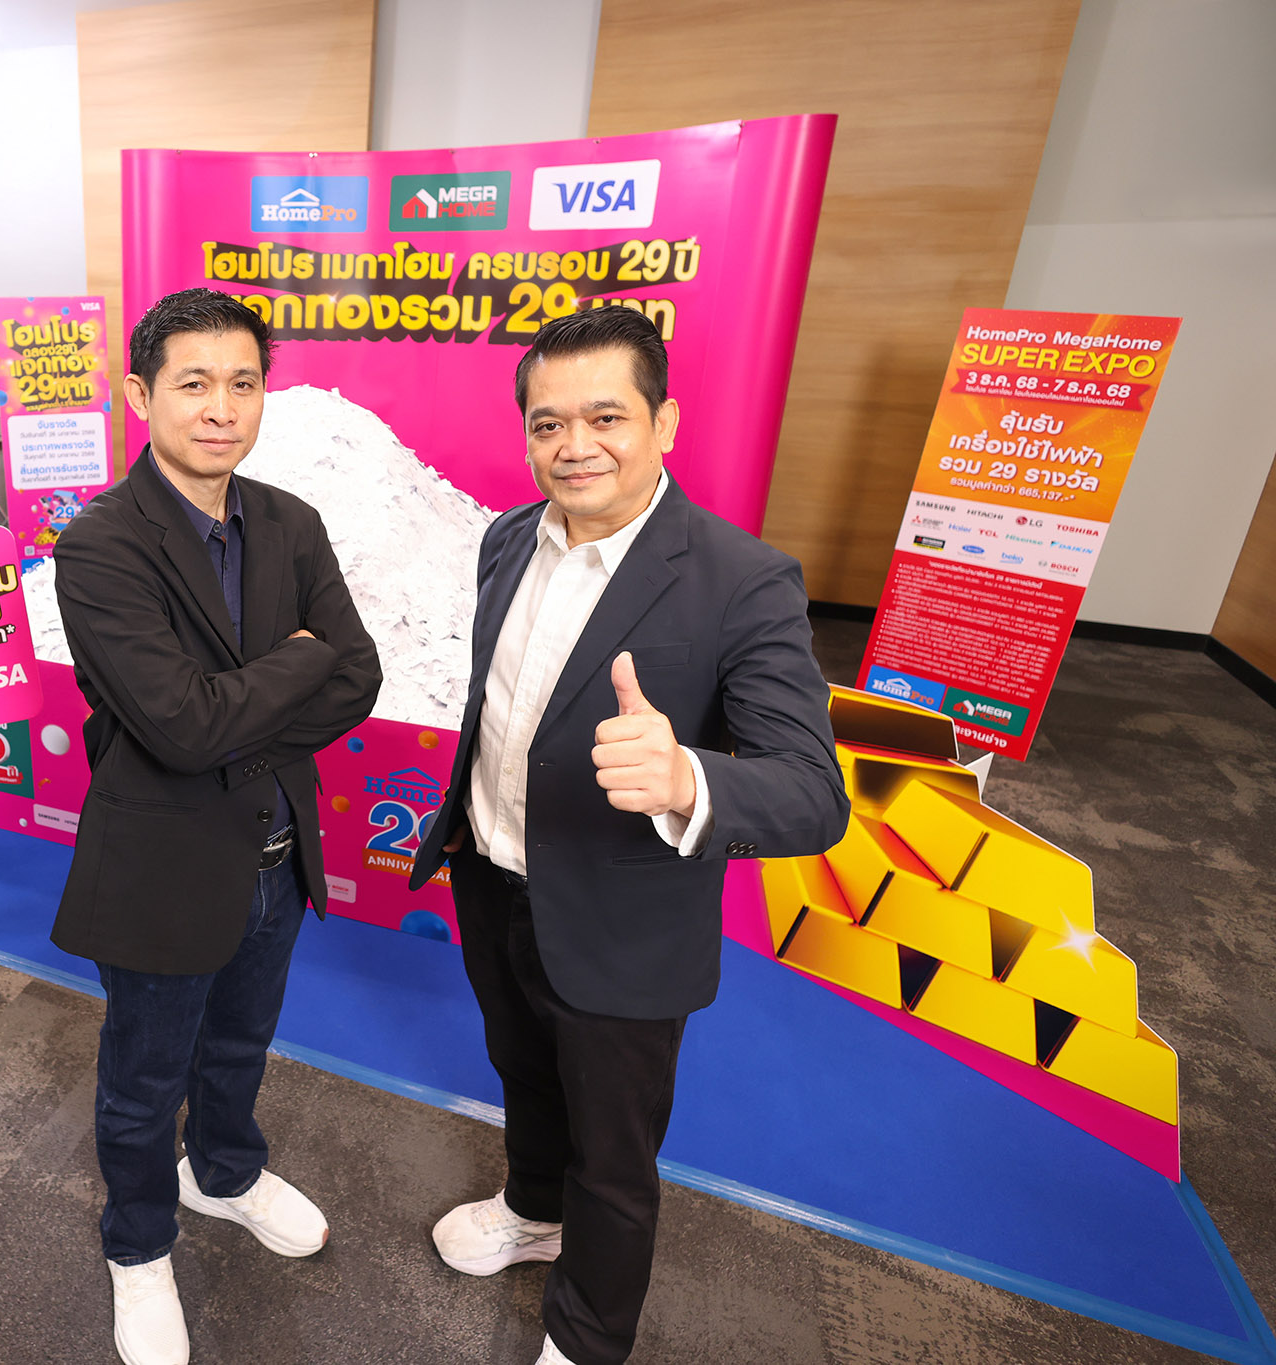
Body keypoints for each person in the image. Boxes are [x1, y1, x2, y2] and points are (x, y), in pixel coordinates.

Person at [407, 307, 850, 1364]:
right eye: (548, 422)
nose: (575, 445)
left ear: (664, 423)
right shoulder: (507, 539)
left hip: (623, 917)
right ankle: (531, 1210)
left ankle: (586, 1338)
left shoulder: (742, 580)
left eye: (605, 417)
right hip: (493, 875)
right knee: (521, 1070)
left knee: (613, 1154)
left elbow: (812, 792)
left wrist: (687, 776)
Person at [50, 288, 381, 1365]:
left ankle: (225, 1175)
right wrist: (292, 665)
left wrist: (234, 714)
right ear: (140, 394)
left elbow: (359, 676)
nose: (220, 407)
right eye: (193, 383)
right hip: (163, 864)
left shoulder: (290, 521)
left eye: (242, 382)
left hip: (277, 852)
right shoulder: (100, 545)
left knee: (241, 1043)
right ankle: (139, 1245)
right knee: (144, 1080)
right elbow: (179, 726)